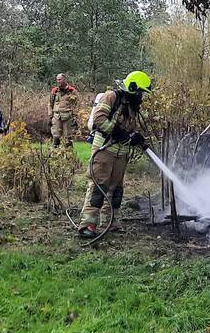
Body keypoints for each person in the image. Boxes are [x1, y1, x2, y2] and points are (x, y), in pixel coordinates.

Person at [77, 71, 152, 239]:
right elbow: (99, 118)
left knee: (116, 189)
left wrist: (135, 137)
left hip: (121, 152)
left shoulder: (131, 106)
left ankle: (109, 223)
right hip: (104, 148)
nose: (141, 96)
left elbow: (128, 129)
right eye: (140, 92)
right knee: (98, 186)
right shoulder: (111, 96)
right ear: (132, 87)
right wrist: (116, 131)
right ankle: (88, 225)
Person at [48, 73, 80, 147]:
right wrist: (50, 115)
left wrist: (75, 115)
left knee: (68, 137)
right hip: (56, 116)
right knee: (56, 136)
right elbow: (50, 104)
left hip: (68, 117)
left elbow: (77, 104)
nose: (58, 81)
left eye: (60, 79)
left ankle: (69, 153)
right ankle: (55, 152)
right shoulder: (54, 91)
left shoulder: (72, 91)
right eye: (57, 80)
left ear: (64, 80)